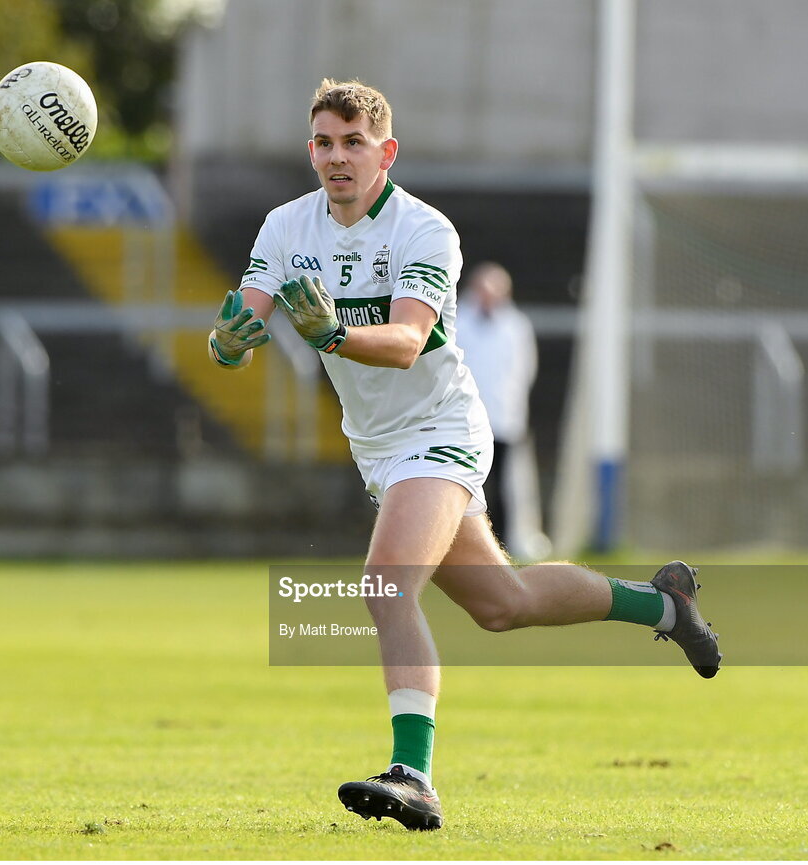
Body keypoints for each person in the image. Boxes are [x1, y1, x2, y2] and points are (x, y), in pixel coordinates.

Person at [207, 78, 721, 832]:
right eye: (324, 141)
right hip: (378, 447)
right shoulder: (286, 226)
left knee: (385, 587)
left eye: (354, 143)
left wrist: (330, 336)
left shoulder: (425, 230)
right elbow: (238, 326)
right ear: (309, 149)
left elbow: (408, 342)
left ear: (386, 152)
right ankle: (663, 604)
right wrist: (226, 344)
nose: (337, 157)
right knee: (501, 605)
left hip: (442, 428)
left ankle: (414, 776)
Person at [454, 262, 537, 555]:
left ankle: (499, 546)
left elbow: (525, 371)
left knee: (501, 486)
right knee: (466, 483)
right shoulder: (456, 320)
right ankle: (464, 547)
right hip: (462, 420)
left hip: (502, 420)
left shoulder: (516, 326)